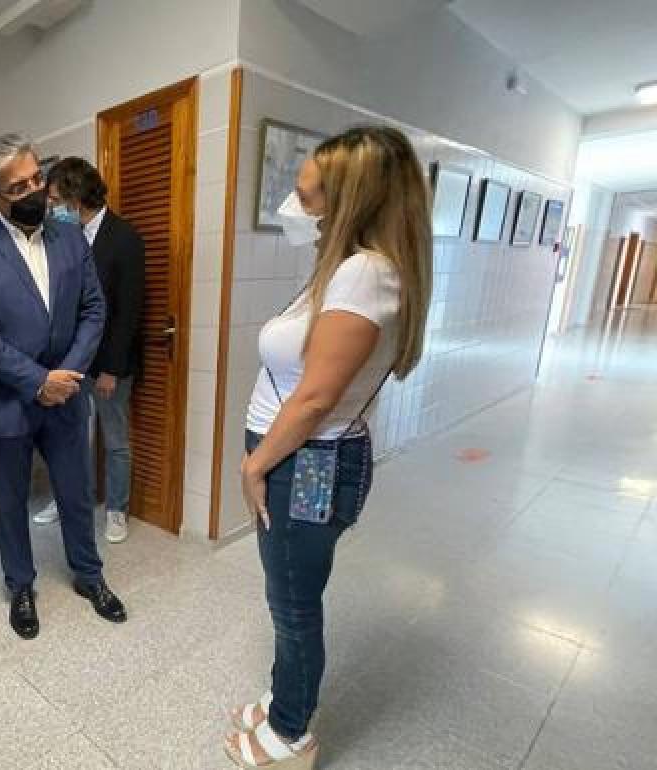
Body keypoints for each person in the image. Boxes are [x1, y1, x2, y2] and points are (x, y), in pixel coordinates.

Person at [225, 125, 432, 769]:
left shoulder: (366, 274)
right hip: (299, 457)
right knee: (286, 591)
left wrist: (257, 464)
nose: (298, 207)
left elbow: (314, 401)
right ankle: (285, 695)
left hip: (304, 463)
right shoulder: (351, 267)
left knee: (291, 601)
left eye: (310, 196)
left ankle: (290, 736)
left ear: (350, 199)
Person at [0, 133, 127, 640]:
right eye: (18, 185)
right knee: (10, 501)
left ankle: (89, 576)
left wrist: (65, 375)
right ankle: (20, 586)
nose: (35, 191)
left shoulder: (70, 236)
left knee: (76, 493)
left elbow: (94, 310)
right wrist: (36, 381)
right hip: (8, 400)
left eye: (36, 178)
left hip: (67, 395)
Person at [44, 157, 146, 543]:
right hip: (71, 361)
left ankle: (117, 509)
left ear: (75, 196)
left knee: (115, 439)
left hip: (108, 364)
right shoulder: (61, 238)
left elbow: (129, 310)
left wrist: (112, 369)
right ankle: (71, 499)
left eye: (55, 199)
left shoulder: (124, 238)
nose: (51, 207)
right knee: (70, 436)